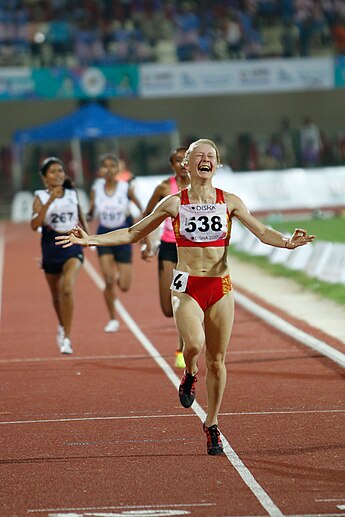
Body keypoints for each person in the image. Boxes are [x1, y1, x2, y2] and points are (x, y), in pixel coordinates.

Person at [56, 139, 315, 455]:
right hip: (186, 285)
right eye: (199, 156)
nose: (205, 160)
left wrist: (287, 242)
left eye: (211, 156)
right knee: (194, 345)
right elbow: (132, 233)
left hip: (219, 287)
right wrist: (91, 240)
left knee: (218, 362)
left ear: (216, 165)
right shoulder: (174, 203)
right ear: (187, 165)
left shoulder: (229, 201)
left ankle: (212, 424)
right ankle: (190, 373)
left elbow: (261, 232)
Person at [31, 157, 89, 355]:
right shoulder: (39, 196)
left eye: (60, 171)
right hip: (50, 248)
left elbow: (79, 214)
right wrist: (50, 200)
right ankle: (62, 325)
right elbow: (34, 224)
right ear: (44, 177)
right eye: (53, 171)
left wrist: (88, 237)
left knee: (66, 289)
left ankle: (67, 338)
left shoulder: (72, 194)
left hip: (72, 246)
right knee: (56, 296)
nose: (58, 174)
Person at [141, 146, 190, 368]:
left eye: (186, 160)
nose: (182, 164)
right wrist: (146, 242)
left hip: (189, 251)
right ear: (172, 165)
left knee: (181, 298)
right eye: (178, 161)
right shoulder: (164, 187)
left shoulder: (201, 187)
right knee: (168, 308)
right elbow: (147, 215)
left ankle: (183, 347)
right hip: (168, 248)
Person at [87, 153, 143, 332]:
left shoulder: (125, 188)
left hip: (123, 236)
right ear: (100, 170)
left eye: (113, 166)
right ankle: (112, 318)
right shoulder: (96, 189)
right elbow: (90, 211)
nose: (109, 169)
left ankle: (119, 277)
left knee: (124, 286)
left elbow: (141, 208)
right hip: (104, 235)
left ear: (118, 169)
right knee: (108, 279)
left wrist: (142, 225)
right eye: (105, 166)